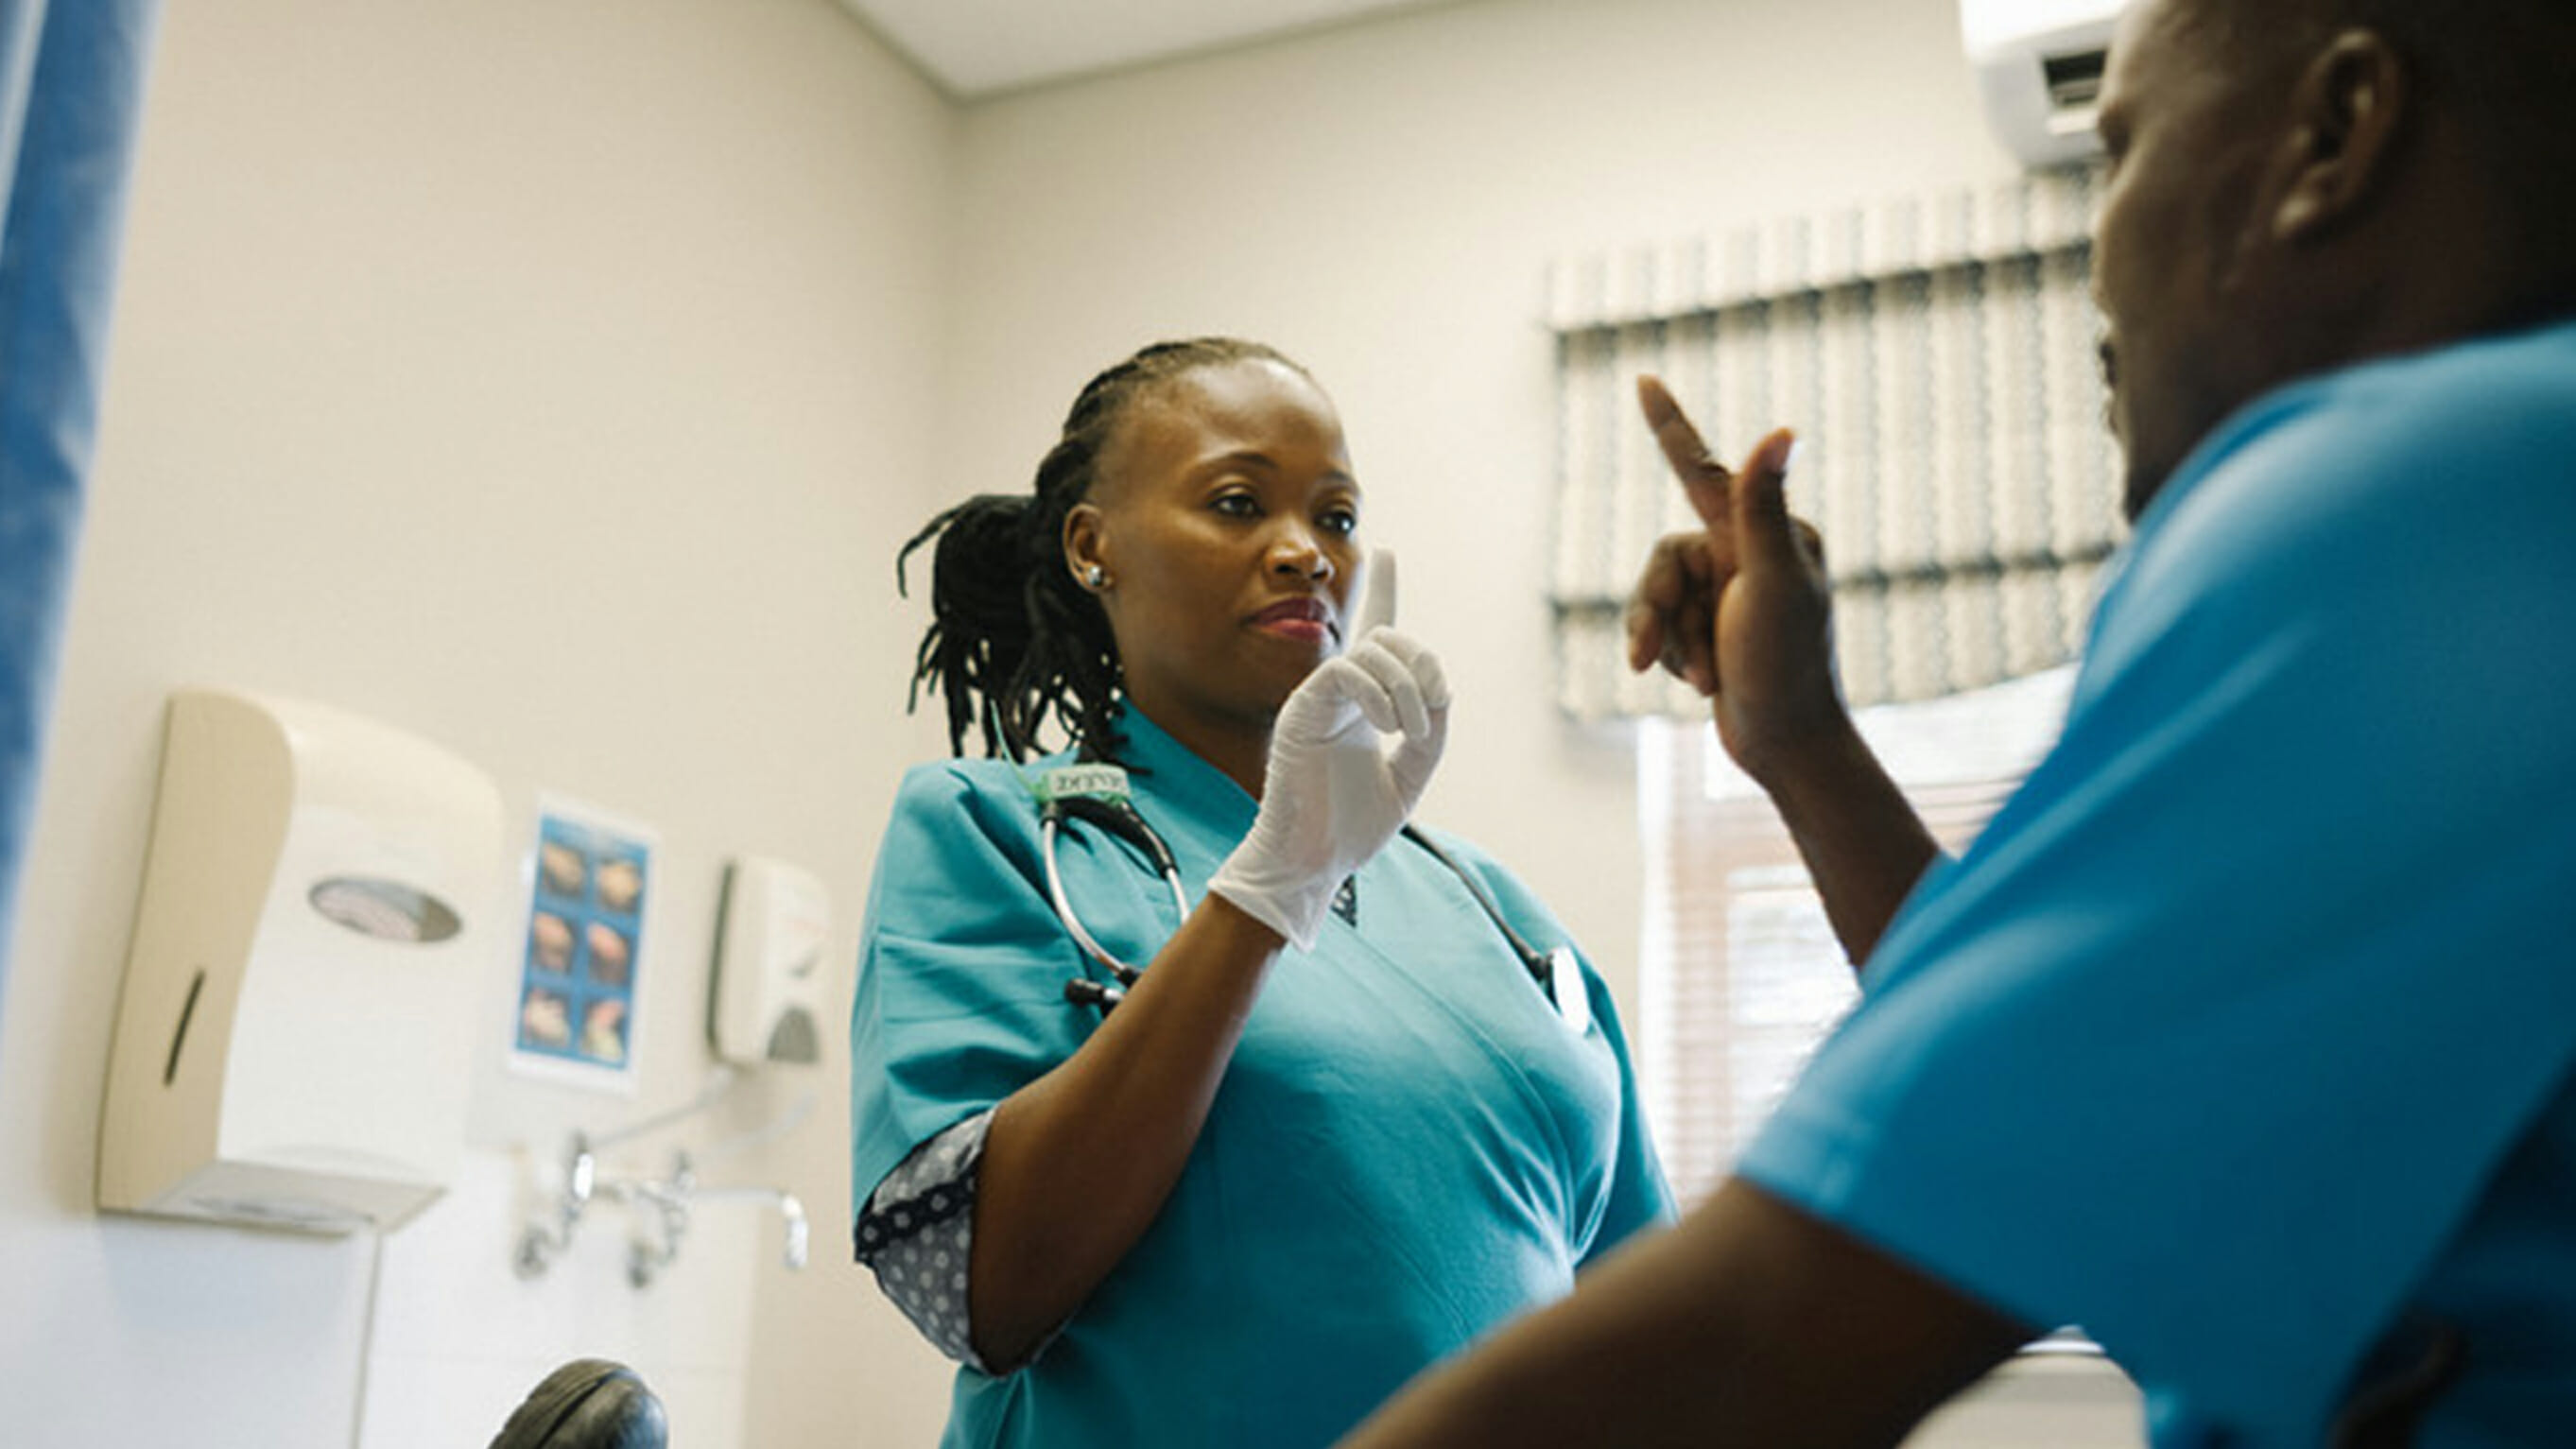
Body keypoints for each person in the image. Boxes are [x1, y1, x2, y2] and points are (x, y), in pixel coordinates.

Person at [1338, 0, 2576, 1444]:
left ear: (2332, 134)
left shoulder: (2407, 503)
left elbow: (1751, 1341)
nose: (2091, 255)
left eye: (2117, 152)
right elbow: (2103, 1161)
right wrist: (1799, 741)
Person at [850, 337, 1672, 1448]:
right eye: (1238, 504)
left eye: (1334, 516)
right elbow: (986, 1290)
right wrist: (1268, 888)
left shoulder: (1490, 907)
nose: (1305, 554)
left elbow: (1651, 1336)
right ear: (1095, 549)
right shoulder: (1000, 829)